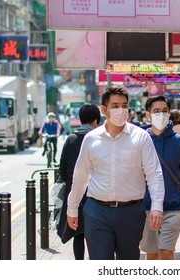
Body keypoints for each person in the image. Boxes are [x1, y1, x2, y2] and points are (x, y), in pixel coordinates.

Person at [67, 86, 164, 260]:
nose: (121, 110)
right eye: (115, 106)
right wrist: (72, 208)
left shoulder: (141, 137)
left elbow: (154, 174)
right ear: (104, 110)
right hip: (97, 211)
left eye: (124, 105)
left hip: (131, 212)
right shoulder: (91, 139)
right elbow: (80, 176)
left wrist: (157, 206)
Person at [140, 96, 180, 260]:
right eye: (156, 111)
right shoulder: (140, 141)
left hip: (173, 205)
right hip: (147, 205)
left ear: (170, 113)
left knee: (167, 252)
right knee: (152, 254)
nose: (161, 114)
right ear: (148, 115)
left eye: (164, 111)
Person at [57, 104, 101, 260]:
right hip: (97, 192)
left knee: (78, 232)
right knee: (97, 233)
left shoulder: (71, 139)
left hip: (75, 192)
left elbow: (62, 168)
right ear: (96, 120)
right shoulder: (100, 138)